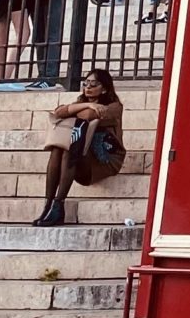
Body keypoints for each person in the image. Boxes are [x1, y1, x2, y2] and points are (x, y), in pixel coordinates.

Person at [36, 68, 126, 228]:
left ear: (104, 88)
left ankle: (58, 204)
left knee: (70, 148)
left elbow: (88, 116)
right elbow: (58, 112)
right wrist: (88, 104)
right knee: (59, 148)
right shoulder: (83, 102)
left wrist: (79, 109)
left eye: (94, 84)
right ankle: (50, 205)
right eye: (86, 83)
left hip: (104, 159)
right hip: (84, 155)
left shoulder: (114, 106)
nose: (88, 87)